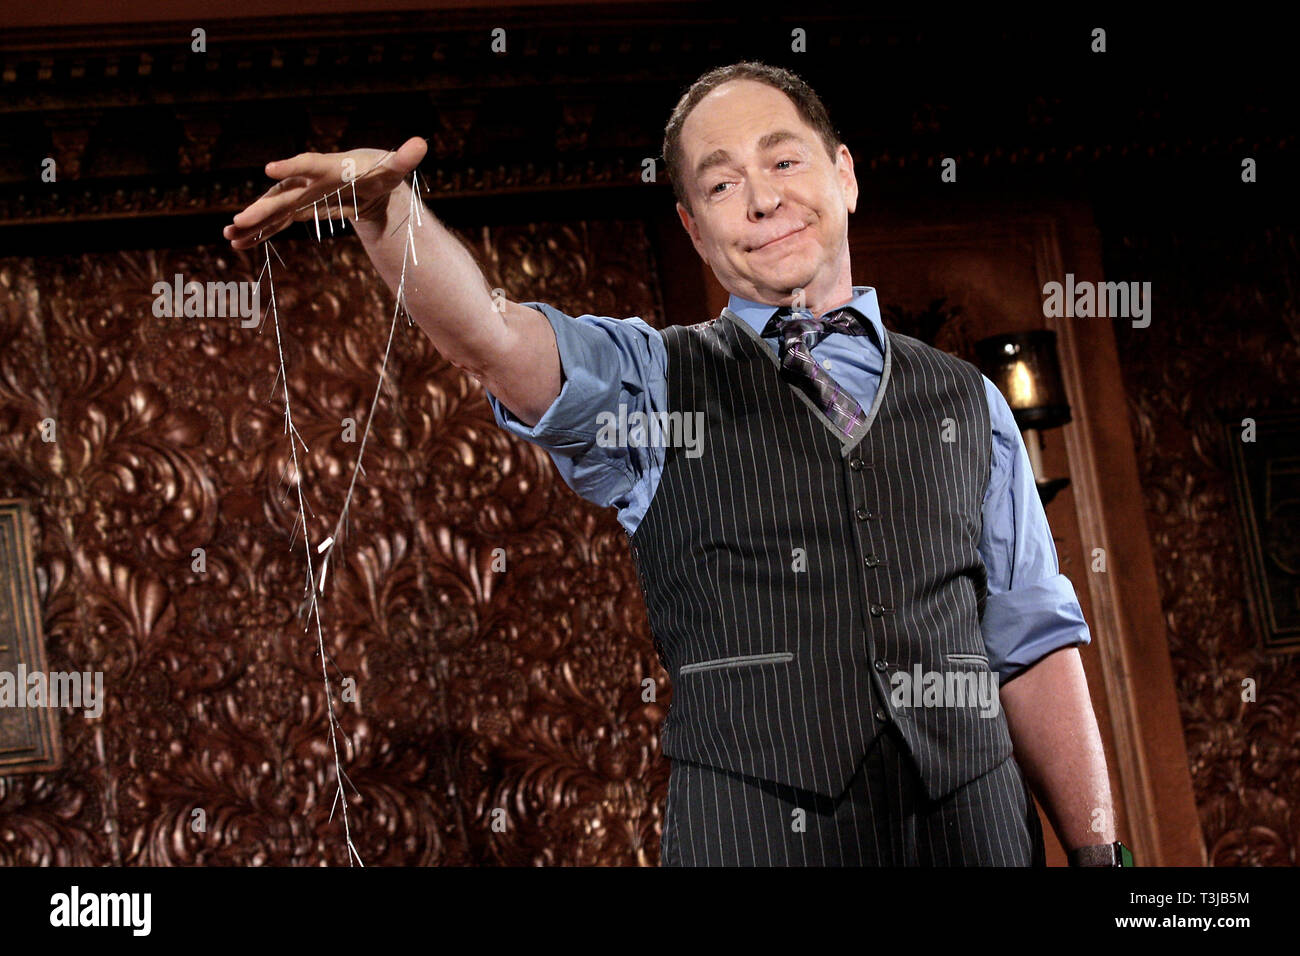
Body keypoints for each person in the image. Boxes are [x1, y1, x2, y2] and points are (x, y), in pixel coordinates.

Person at [224, 60, 1122, 867]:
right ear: (695, 230)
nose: (763, 200)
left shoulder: (970, 403)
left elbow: (1033, 649)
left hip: (978, 836)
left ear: (843, 173)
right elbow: (494, 338)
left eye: (784, 161)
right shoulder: (652, 386)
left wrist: (1101, 858)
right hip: (757, 838)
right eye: (723, 184)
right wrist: (391, 214)